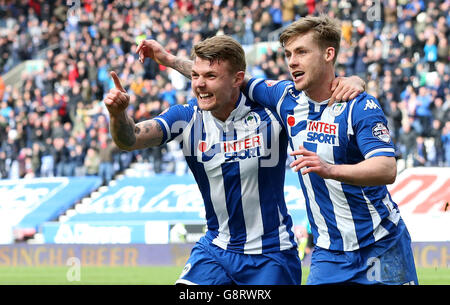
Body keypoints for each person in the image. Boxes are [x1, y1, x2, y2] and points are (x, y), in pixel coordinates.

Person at [138, 15, 418, 285]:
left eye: (301, 52)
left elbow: (386, 168)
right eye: (288, 54)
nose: (292, 62)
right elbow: (223, 78)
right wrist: (171, 61)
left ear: (328, 54)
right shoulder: (285, 98)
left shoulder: (361, 106)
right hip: (329, 254)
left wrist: (330, 169)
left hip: (383, 243)